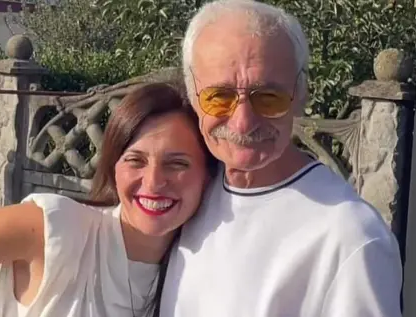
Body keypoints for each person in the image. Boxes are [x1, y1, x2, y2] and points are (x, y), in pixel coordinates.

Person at [160, 1, 403, 317]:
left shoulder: (349, 237)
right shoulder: (187, 195)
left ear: (300, 94)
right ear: (193, 96)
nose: (243, 122)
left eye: (268, 97)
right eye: (219, 97)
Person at [0, 83, 217, 317]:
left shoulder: (202, 272)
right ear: (113, 168)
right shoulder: (57, 228)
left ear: (207, 176)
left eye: (177, 163)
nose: (154, 182)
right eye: (136, 160)